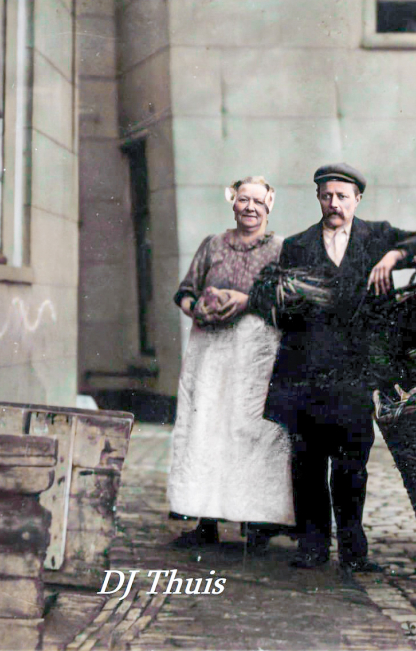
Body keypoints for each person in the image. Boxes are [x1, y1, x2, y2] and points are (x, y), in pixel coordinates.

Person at [263, 163, 416, 573]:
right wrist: (289, 299)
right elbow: (279, 307)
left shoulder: (376, 237)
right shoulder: (298, 245)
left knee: (353, 465)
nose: (334, 204)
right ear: (318, 198)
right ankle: (312, 546)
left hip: (355, 373)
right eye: (326, 196)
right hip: (307, 371)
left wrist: (392, 256)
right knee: (307, 463)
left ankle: (355, 551)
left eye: (342, 196)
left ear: (358, 198)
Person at [168, 176, 294, 550]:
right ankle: (204, 519)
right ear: (232, 202)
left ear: (269, 204)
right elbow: (185, 291)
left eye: (258, 201)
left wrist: (246, 300)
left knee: (253, 430)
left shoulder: (281, 249)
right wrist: (198, 308)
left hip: (256, 353)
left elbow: (286, 298)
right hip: (211, 351)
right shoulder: (212, 245)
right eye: (243, 200)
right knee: (206, 426)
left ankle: (257, 521)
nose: (250, 208)